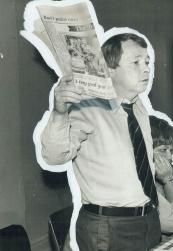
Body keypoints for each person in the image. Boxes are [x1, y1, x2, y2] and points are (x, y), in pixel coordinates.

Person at [41, 32, 161, 251]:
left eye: (147, 62)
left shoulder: (138, 107)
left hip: (149, 219)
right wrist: (59, 114)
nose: (146, 68)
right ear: (110, 69)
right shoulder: (87, 108)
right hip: (109, 228)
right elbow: (54, 156)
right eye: (135, 62)